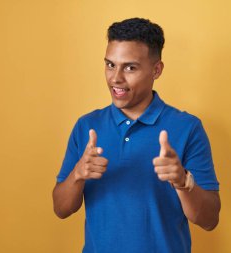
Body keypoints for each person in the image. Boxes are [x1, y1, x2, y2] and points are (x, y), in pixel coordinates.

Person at [52, 17, 221, 253]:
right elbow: (61, 209)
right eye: (110, 64)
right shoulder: (87, 126)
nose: (115, 78)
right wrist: (78, 175)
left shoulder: (188, 128)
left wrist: (183, 182)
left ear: (157, 70)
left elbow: (210, 219)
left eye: (130, 67)